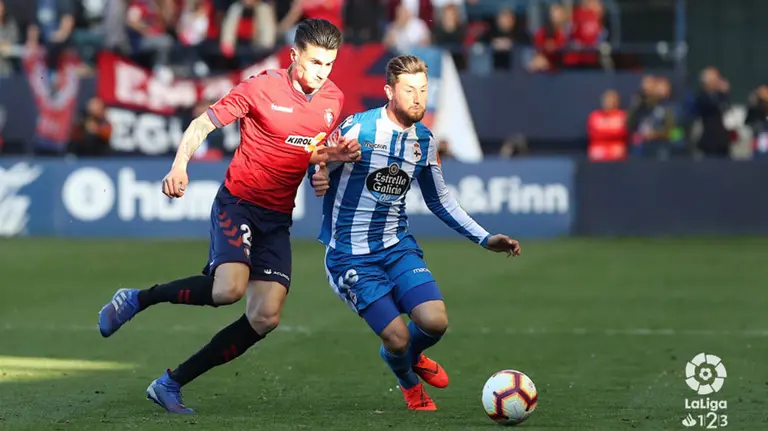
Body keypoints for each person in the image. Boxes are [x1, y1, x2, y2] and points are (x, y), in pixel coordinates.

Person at [97, 18, 361, 414]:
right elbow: (202, 124)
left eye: (329, 64)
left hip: (277, 218)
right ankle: (138, 298)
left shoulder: (332, 100)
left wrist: (323, 166)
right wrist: (179, 166)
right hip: (238, 203)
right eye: (315, 63)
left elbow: (308, 151)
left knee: (265, 316)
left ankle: (170, 383)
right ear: (294, 56)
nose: (322, 73)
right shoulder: (260, 88)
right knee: (228, 290)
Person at [309, 55, 521, 411]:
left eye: (423, 90)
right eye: (409, 90)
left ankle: (409, 354)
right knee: (396, 338)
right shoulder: (358, 129)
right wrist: (320, 174)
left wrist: (485, 238)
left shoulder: (424, 139)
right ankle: (410, 383)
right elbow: (317, 158)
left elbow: (440, 200)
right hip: (350, 255)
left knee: (435, 322)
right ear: (389, 91)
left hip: (397, 247)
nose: (418, 98)